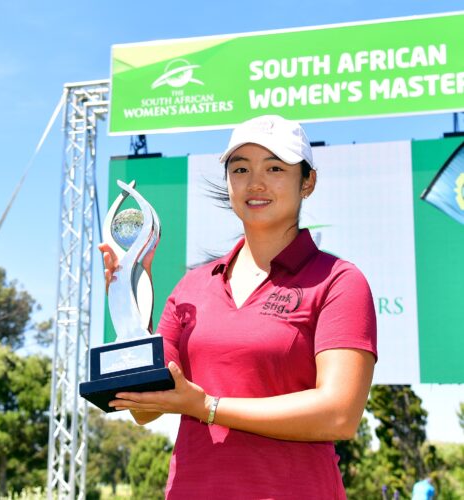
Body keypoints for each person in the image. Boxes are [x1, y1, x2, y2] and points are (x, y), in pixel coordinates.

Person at [99, 115, 377, 499]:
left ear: (308, 182)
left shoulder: (338, 280)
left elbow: (339, 414)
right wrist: (132, 301)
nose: (255, 182)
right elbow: (145, 409)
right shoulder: (191, 287)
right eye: (240, 168)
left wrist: (208, 407)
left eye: (275, 167)